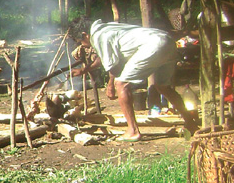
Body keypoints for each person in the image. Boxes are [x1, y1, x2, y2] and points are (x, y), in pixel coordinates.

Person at [68, 17, 198, 141]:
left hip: (153, 46)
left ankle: (133, 131)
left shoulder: (99, 36)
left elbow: (113, 66)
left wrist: (110, 86)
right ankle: (190, 123)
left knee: (121, 84)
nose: (84, 46)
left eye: (81, 42)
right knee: (163, 87)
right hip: (167, 41)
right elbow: (103, 58)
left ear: (85, 34)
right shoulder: (106, 28)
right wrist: (83, 70)